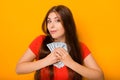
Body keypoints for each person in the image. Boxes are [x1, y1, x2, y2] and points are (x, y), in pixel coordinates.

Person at [16, 5, 104, 80]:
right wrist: (46, 61)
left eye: (57, 20)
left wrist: (71, 63)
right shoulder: (40, 41)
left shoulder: (80, 47)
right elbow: (19, 69)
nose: (51, 25)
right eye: (49, 21)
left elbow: (100, 77)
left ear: (67, 23)